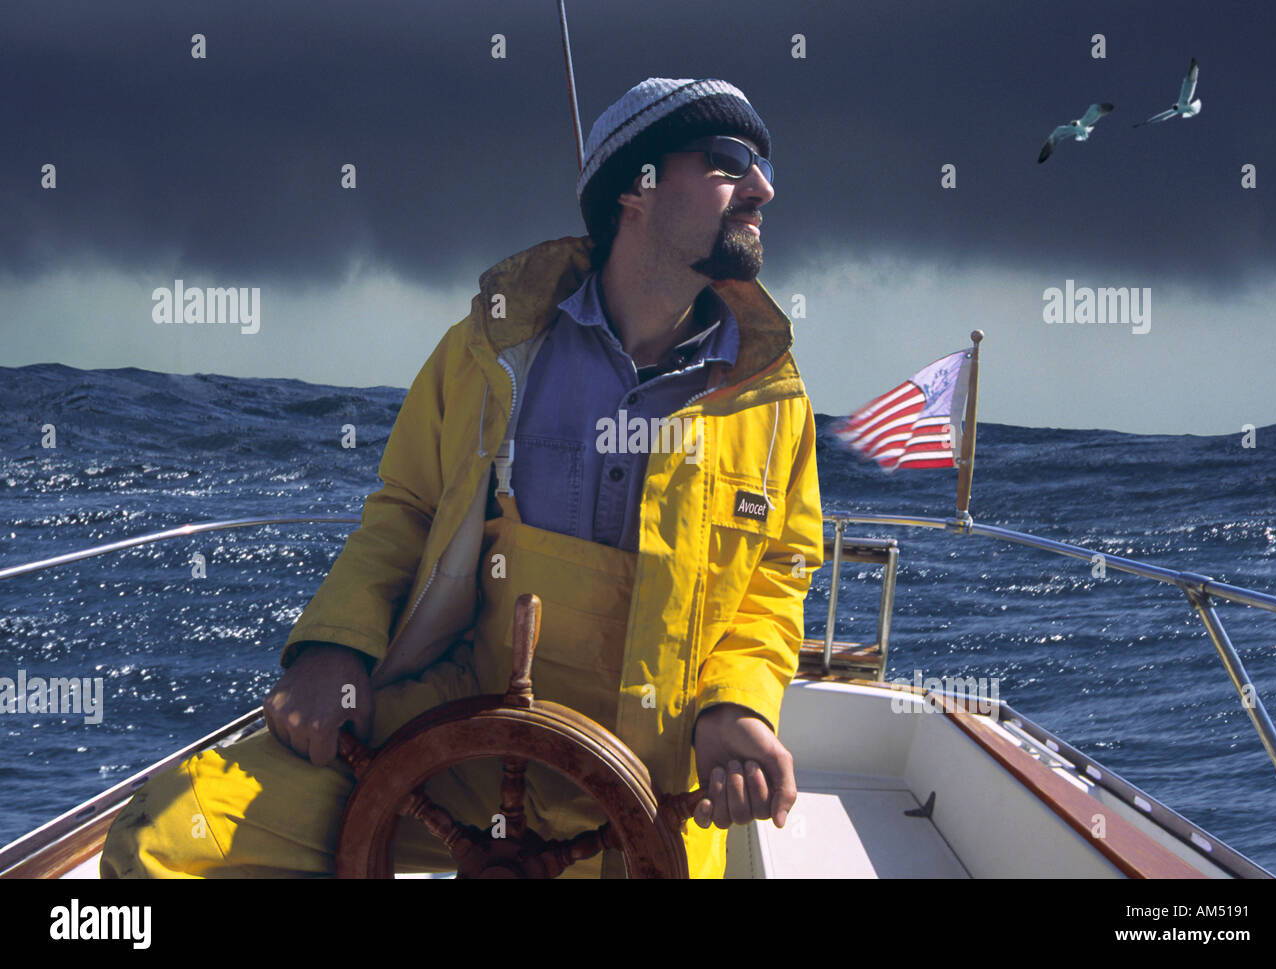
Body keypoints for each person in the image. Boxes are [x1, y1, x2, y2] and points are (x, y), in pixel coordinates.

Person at [101, 77, 823, 879]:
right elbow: (405, 509)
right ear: (637, 188)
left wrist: (735, 707)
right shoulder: (491, 352)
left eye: (761, 164)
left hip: (650, 776)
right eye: (730, 161)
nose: (762, 187)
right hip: (466, 722)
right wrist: (333, 646)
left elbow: (776, 578)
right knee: (167, 841)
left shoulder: (773, 398)